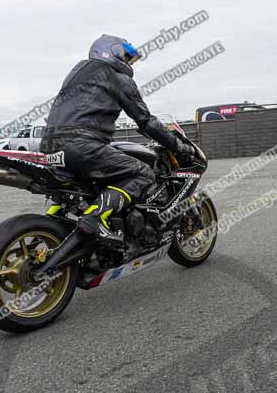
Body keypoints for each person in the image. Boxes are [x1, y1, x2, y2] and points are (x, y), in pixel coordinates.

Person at [40, 34, 194, 241]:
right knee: (143, 173)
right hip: (80, 146)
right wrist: (177, 145)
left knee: (76, 189)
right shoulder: (116, 77)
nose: (129, 63)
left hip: (49, 148)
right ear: (113, 51)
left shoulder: (77, 74)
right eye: (127, 57)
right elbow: (145, 121)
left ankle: (51, 226)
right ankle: (95, 217)